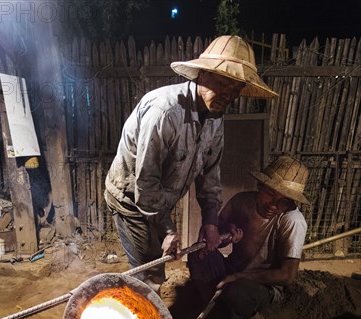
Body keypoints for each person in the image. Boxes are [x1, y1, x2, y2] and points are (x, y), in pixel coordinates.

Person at [105, 35, 277, 292]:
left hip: (156, 200)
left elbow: (210, 177)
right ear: (202, 75)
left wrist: (210, 223)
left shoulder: (216, 120)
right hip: (130, 200)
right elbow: (146, 183)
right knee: (150, 275)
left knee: (155, 270)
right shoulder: (164, 113)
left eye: (236, 89)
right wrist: (168, 230)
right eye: (222, 84)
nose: (228, 95)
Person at [188, 156, 310, 319]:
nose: (274, 205)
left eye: (284, 201)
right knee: (198, 254)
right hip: (232, 270)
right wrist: (226, 233)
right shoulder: (241, 201)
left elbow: (287, 276)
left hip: (261, 285)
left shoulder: (292, 221)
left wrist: (238, 277)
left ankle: (247, 317)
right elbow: (214, 240)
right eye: (271, 193)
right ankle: (217, 307)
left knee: (235, 293)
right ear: (260, 185)